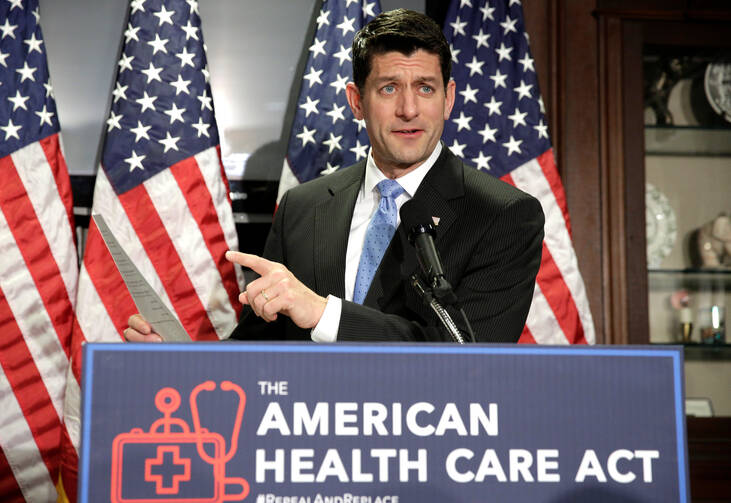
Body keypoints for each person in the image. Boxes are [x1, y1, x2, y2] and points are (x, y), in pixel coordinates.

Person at [125, 9, 544, 344]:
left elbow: (469, 354)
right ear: (356, 101)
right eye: (389, 88)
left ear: (449, 98)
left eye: (426, 88)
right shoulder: (302, 208)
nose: (409, 110)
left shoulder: (503, 215)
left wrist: (323, 314)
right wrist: (174, 362)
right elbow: (261, 348)